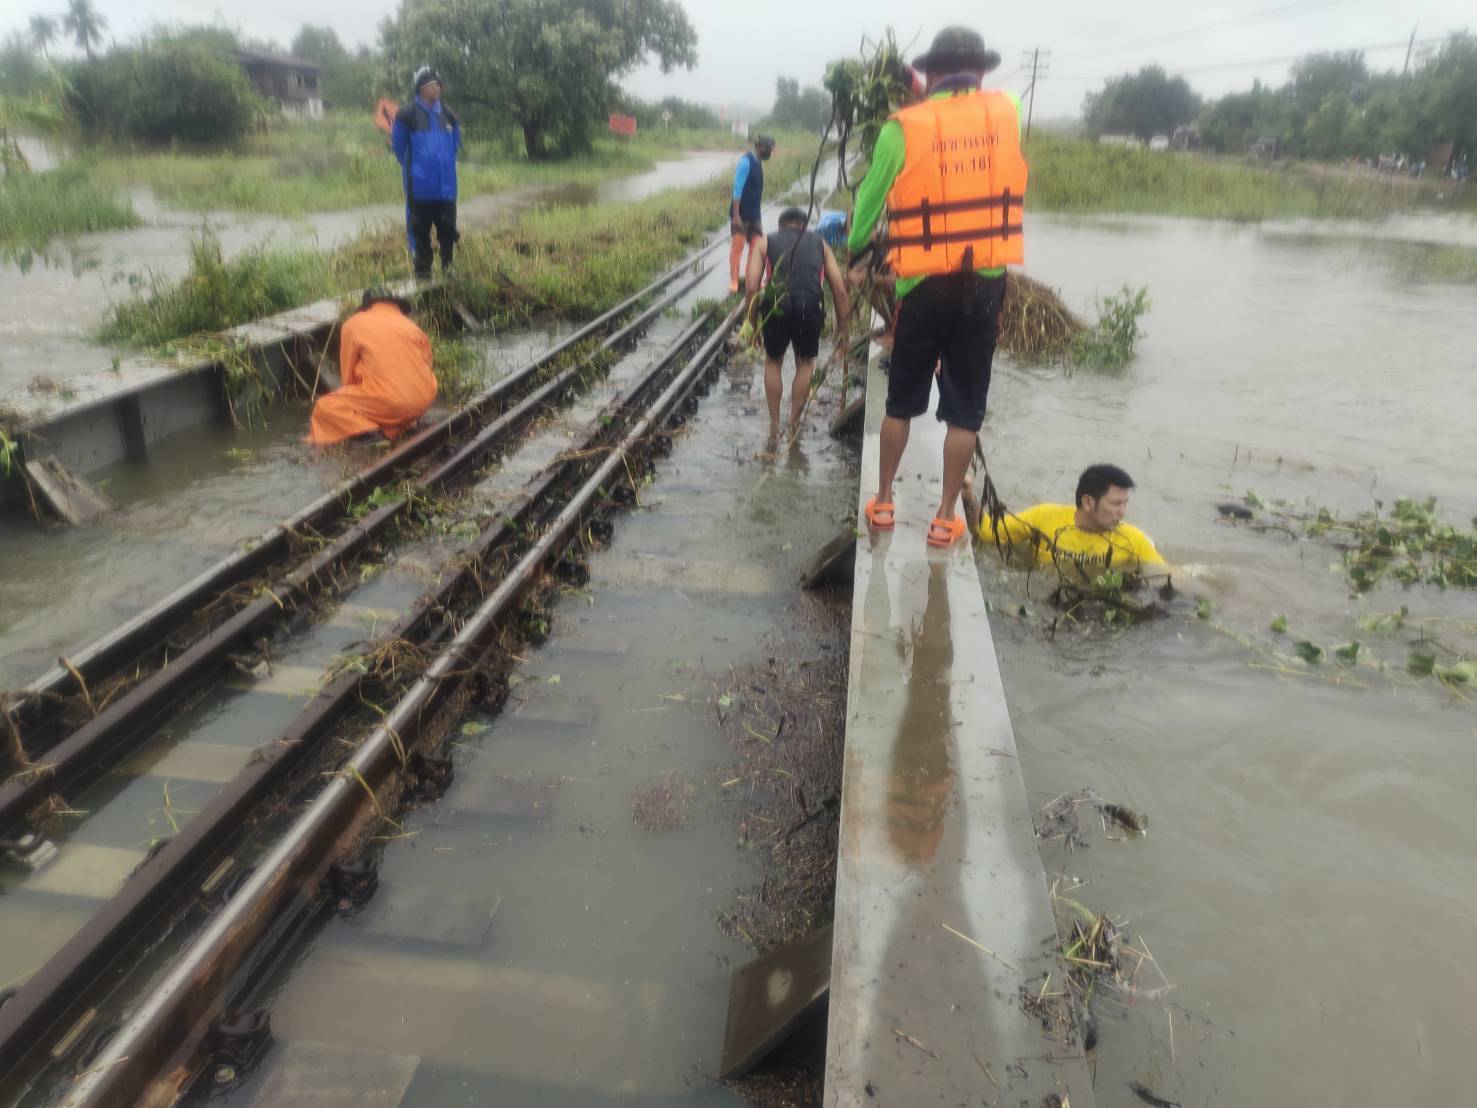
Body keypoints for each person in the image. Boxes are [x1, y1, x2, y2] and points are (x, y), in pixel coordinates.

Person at [847, 26, 1026, 547]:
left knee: (901, 402)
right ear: (983, 71)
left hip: (924, 285)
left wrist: (859, 246)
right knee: (965, 409)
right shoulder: (1008, 110)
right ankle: (946, 516)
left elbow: (867, 209)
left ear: (927, 76)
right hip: (986, 282)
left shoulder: (902, 127)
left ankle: (883, 503)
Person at [743, 208, 851, 435]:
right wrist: (844, 331)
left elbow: (752, 286)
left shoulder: (764, 242)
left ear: (781, 225)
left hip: (777, 305)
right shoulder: (821, 244)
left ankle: (774, 424)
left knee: (773, 362)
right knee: (805, 364)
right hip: (809, 306)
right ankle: (793, 421)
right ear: (804, 226)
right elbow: (840, 290)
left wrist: (751, 325)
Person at [973, 464, 1166, 578]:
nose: (1122, 512)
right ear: (1088, 502)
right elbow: (988, 533)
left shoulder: (1133, 540)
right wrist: (967, 497)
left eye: (1125, 503)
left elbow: (1166, 574)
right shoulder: (1044, 517)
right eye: (1116, 504)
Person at [308, 291, 439, 445]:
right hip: (425, 398)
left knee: (325, 406)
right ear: (396, 306)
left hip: (393, 402)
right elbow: (427, 364)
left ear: (366, 306)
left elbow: (348, 375)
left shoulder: (353, 323)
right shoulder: (411, 326)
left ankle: (372, 436)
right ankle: (405, 424)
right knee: (387, 403)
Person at [392, 66, 461, 279]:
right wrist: (415, 168)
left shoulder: (448, 114)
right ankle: (423, 272)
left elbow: (455, 143)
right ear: (421, 88)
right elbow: (399, 146)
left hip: (446, 187)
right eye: (432, 85)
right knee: (420, 230)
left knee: (447, 228)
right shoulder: (407, 114)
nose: (437, 88)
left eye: (438, 84)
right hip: (420, 187)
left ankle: (448, 268)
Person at [728, 134, 775, 293]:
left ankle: (750, 279)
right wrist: (736, 215)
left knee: (756, 248)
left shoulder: (758, 161)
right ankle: (734, 281)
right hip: (741, 215)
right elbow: (737, 188)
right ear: (761, 147)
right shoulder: (746, 161)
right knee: (737, 248)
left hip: (755, 215)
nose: (770, 152)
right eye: (769, 149)